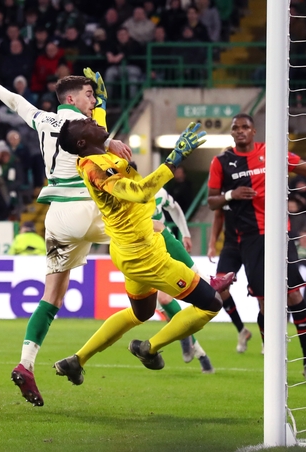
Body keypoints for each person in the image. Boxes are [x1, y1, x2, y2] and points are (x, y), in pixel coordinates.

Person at [0, 68, 132, 407]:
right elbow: (97, 139)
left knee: (53, 296)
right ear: (73, 99)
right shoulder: (81, 127)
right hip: (86, 207)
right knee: (150, 229)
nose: (93, 101)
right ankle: (194, 291)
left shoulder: (43, 119)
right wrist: (111, 141)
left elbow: (17, 103)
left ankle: (26, 364)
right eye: (89, 96)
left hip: (57, 217)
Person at [52, 119, 235, 385]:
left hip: (129, 248)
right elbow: (138, 192)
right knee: (211, 305)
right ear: (82, 142)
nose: (91, 119)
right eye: (86, 122)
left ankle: (76, 361)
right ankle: (148, 348)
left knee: (141, 313)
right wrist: (173, 159)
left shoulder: (96, 156)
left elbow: (95, 133)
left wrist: (99, 102)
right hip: (145, 256)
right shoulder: (95, 169)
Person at [206, 113, 306, 381]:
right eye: (235, 128)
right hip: (249, 239)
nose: (240, 132)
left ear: (253, 131)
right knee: (264, 303)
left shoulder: (271, 153)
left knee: (295, 296)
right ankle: (273, 358)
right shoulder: (221, 162)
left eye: (245, 128)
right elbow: (212, 202)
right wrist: (231, 195)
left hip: (279, 234)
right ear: (231, 133)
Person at [129, 160, 216, 373]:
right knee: (162, 302)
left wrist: (185, 232)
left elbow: (174, 208)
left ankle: (189, 342)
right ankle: (199, 352)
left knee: (165, 299)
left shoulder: (154, 192)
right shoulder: (120, 198)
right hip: (138, 255)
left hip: (161, 250)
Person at [207, 208, 252, 353]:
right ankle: (242, 330)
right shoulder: (225, 193)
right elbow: (218, 215)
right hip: (231, 246)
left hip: (253, 244)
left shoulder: (253, 189)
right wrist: (212, 243)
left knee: (260, 292)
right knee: (220, 288)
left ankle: (267, 341)